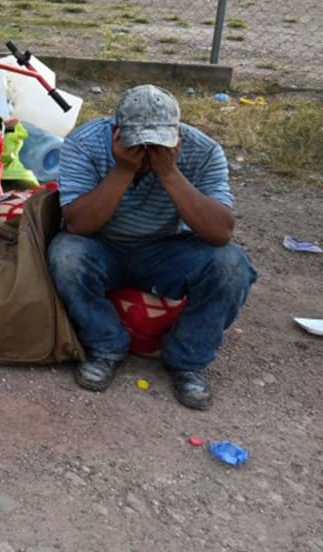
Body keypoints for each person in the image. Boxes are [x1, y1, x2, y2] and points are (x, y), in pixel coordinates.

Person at [48, 84, 257, 410]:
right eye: (138, 145)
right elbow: (78, 225)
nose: (148, 153)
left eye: (158, 145)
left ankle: (188, 360)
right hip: (103, 244)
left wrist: (169, 172)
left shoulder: (204, 151)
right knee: (66, 255)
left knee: (231, 265)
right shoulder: (84, 143)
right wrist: (124, 169)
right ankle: (105, 345)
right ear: (115, 132)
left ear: (177, 137)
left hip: (169, 248)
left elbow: (220, 233)